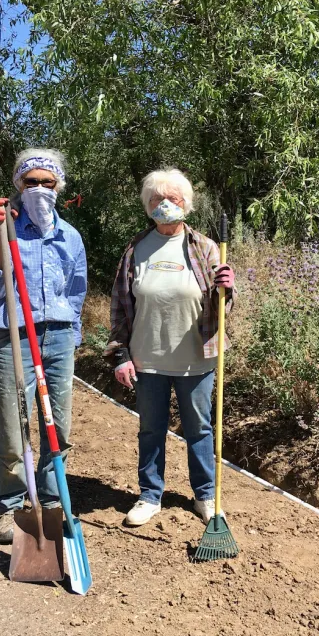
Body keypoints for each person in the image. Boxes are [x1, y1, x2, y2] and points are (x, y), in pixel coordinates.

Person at [103, 169, 235, 527]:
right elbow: (120, 306)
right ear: (148, 206)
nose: (165, 204)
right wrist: (120, 355)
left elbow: (223, 305)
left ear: (186, 204)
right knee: (150, 429)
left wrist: (227, 289)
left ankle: (205, 496)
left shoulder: (205, 248)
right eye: (157, 199)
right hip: (147, 359)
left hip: (196, 359)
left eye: (172, 198)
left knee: (200, 430)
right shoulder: (135, 249)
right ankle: (149, 495)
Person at [0, 148, 87, 544]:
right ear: (18, 185)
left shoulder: (69, 235)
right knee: (13, 427)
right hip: (15, 337)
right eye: (31, 181)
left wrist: (71, 336)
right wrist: (1, 237)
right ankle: (9, 503)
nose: (39, 187)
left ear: (58, 186)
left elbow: (76, 291)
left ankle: (53, 500)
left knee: (58, 426)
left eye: (47, 181)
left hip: (58, 336)